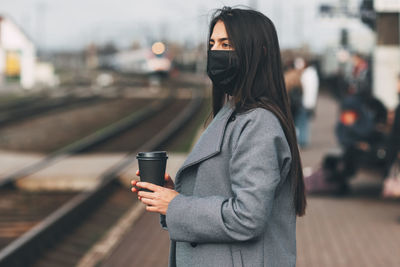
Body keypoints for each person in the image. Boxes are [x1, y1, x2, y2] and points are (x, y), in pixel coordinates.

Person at [131, 7, 306, 267]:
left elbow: (248, 217)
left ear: (258, 52)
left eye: (226, 44)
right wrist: (171, 197)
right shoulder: (233, 111)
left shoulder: (259, 122)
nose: (216, 52)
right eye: (213, 44)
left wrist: (177, 206)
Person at [294, 57, 319, 148]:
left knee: (302, 122)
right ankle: (303, 140)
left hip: (304, 102)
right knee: (304, 122)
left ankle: (302, 141)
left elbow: (306, 90)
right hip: (309, 102)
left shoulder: (306, 75)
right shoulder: (312, 74)